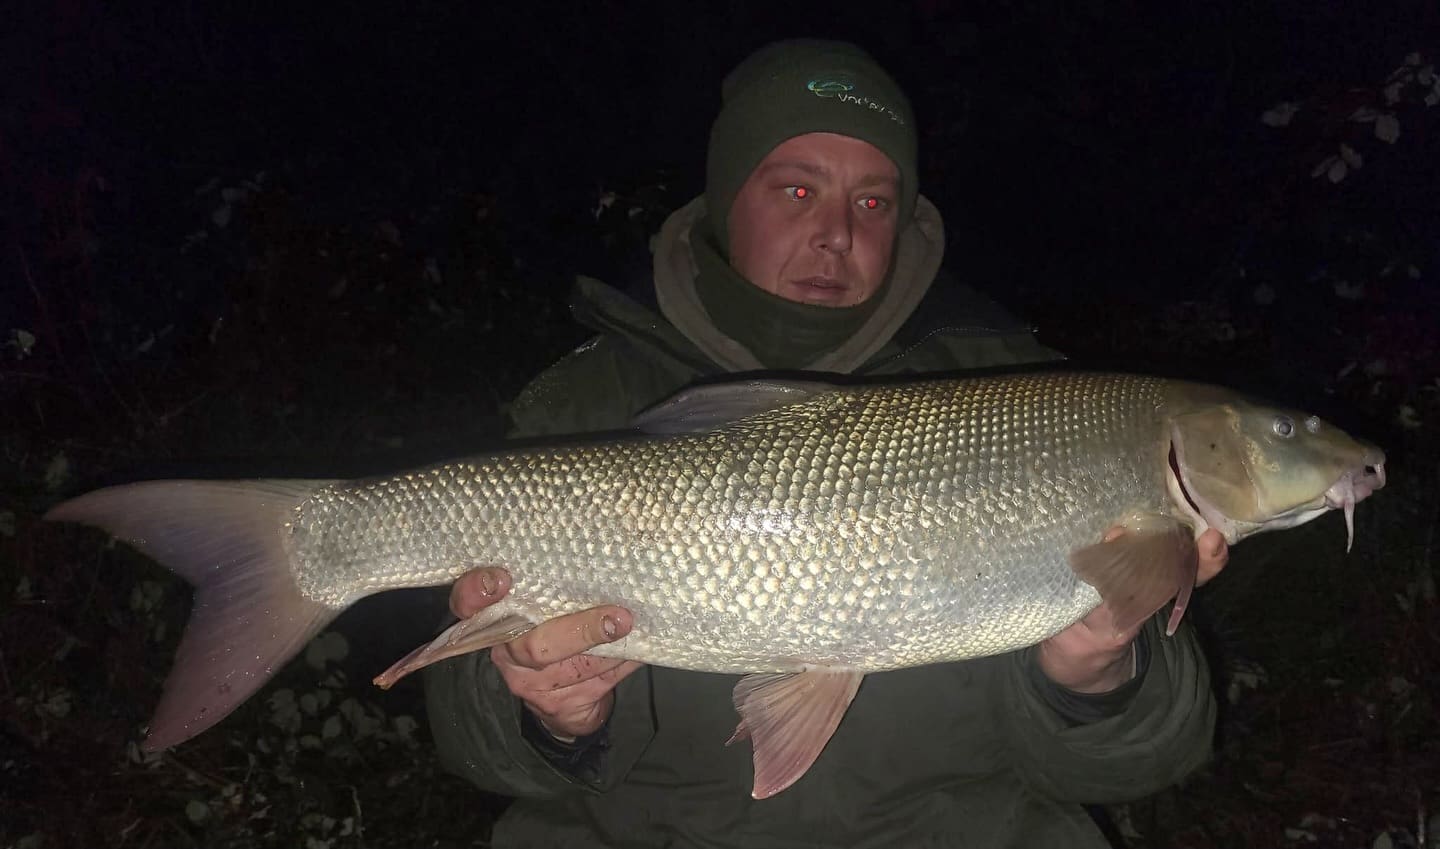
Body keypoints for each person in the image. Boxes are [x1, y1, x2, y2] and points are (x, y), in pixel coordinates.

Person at [423, 38, 1227, 848]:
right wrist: (551, 714)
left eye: (874, 202)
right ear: (728, 197)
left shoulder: (1031, 400)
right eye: (798, 190)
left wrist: (1093, 677)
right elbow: (478, 753)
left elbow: (1141, 764)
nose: (837, 232)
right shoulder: (584, 402)